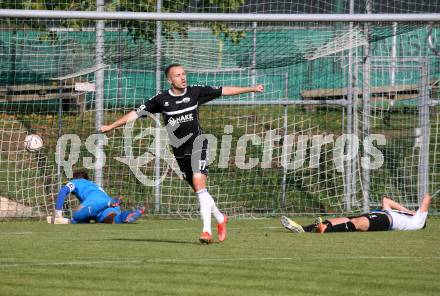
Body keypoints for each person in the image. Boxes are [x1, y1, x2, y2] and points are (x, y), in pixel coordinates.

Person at [100, 63, 264, 243]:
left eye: (184, 74)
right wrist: (110, 126)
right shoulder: (161, 100)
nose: (183, 77)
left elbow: (224, 90)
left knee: (199, 183)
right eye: (178, 75)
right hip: (179, 152)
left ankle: (206, 232)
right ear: (169, 80)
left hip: (198, 144)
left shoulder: (195, 92)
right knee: (200, 190)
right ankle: (220, 218)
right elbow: (134, 114)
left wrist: (251, 88)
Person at [281, 193, 432, 233]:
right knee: (340, 219)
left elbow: (427, 199)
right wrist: (407, 211)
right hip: (379, 214)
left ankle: (324, 230)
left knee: (356, 224)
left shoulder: (418, 222)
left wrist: (415, 213)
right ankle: (303, 228)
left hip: (386, 222)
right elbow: (386, 200)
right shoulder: (408, 216)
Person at [49, 170, 144, 224]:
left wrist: (58, 212)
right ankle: (128, 215)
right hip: (109, 203)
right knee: (112, 219)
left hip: (96, 201)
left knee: (76, 214)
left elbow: (62, 191)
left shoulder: (76, 181)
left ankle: (108, 203)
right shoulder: (94, 185)